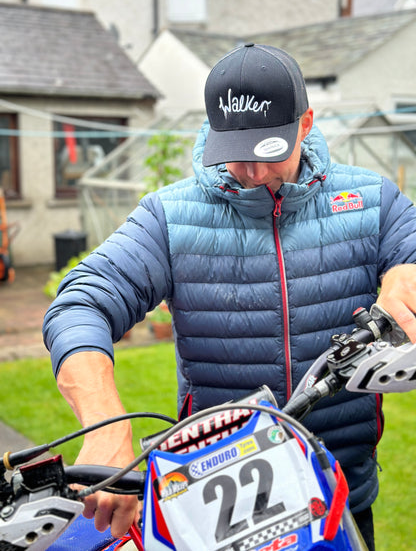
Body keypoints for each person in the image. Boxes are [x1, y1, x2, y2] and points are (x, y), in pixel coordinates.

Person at [43, 43, 416, 550]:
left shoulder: (371, 199)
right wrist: (106, 427)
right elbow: (80, 302)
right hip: (217, 516)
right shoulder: (168, 217)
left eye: (268, 153)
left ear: (305, 124)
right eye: (236, 153)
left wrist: (403, 278)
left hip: (341, 501)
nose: (253, 173)